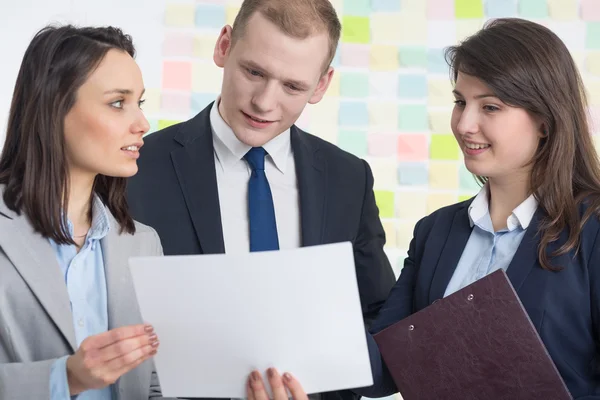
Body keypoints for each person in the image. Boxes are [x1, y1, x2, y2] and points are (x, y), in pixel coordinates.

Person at [127, 1, 396, 399]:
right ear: (223, 46)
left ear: (321, 85)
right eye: (254, 72)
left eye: (293, 86)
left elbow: (380, 327)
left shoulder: (348, 178)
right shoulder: (135, 168)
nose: (265, 103)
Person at [353, 18, 600, 399]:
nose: (465, 124)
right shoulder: (434, 231)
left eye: (490, 107)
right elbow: (383, 366)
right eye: (460, 102)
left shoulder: (592, 228)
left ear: (545, 122)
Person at [0, 24, 175, 400]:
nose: (142, 124)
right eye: (117, 103)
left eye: (139, 103)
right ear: (54, 107)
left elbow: (156, 385)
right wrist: (65, 378)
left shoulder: (143, 245)